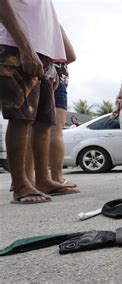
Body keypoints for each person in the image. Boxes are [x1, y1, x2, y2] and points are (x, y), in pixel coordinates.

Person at [0, 0, 78, 203]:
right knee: (21, 117)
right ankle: (20, 185)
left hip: (44, 54)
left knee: (44, 121)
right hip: (16, 46)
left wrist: (52, 62)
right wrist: (25, 48)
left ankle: (43, 179)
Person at [49, 26, 78, 189]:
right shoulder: (48, 16)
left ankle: (24, 179)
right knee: (55, 129)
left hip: (23, 65)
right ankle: (56, 178)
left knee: (27, 127)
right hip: (54, 72)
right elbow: (71, 55)